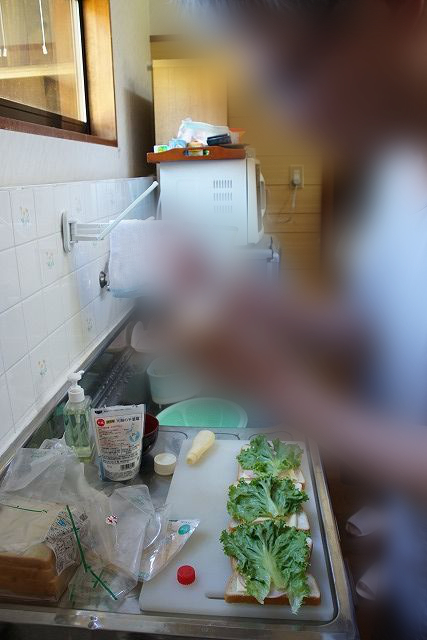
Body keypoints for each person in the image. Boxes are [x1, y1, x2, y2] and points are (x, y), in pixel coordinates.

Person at [173, 1, 427, 638]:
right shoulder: (400, 178)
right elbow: (374, 325)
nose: (302, 113)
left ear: (399, 17)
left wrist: (287, 391)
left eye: (306, 67)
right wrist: (244, 297)